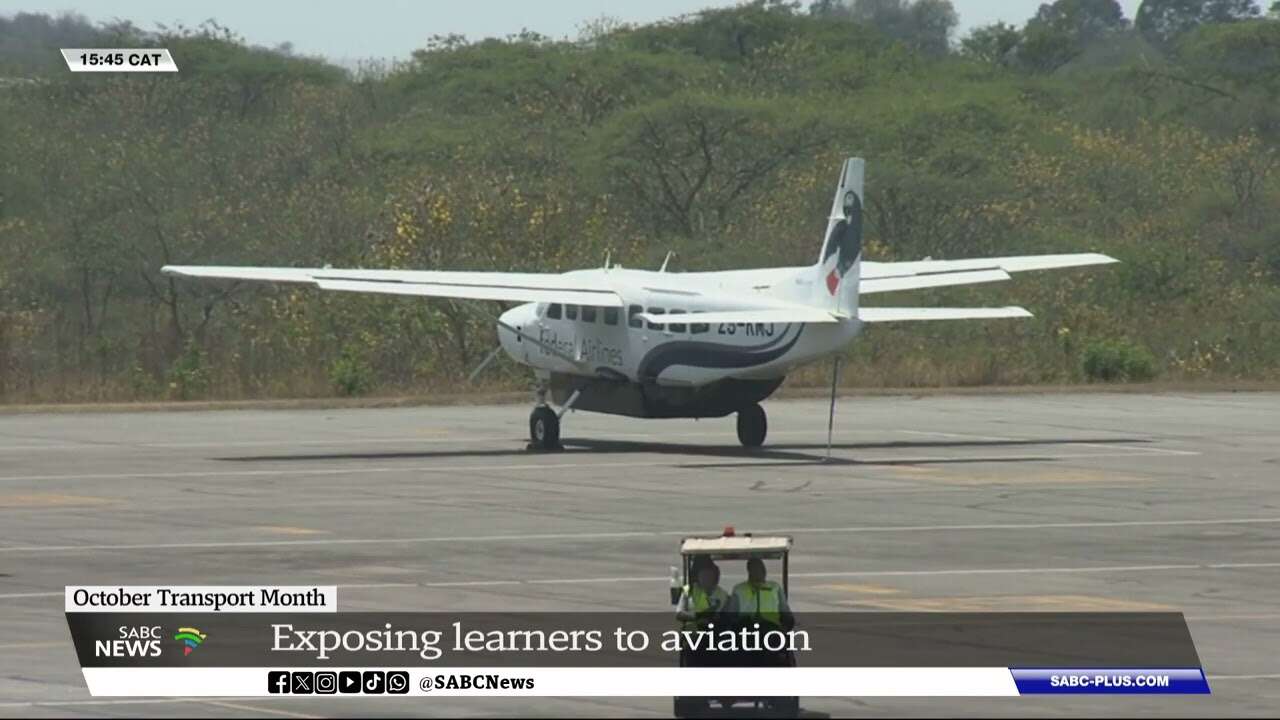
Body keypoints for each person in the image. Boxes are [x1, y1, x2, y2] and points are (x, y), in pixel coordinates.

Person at [729, 558, 794, 631]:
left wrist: (787, 624)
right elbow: (731, 615)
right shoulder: (739, 589)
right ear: (749, 571)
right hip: (747, 628)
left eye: (762, 569)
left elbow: (785, 611)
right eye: (755, 569)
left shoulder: (775, 587)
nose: (761, 572)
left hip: (772, 627)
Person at [676, 559, 729, 632]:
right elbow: (679, 614)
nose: (706, 578)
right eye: (703, 575)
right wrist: (697, 617)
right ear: (697, 575)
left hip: (715, 630)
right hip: (693, 630)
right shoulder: (687, 589)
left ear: (715, 576)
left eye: (709, 575)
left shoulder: (723, 594)